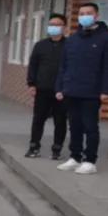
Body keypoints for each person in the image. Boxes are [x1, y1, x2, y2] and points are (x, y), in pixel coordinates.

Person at [56, 3, 108, 175]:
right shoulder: (73, 39)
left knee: (90, 126)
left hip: (92, 91)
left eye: (89, 13)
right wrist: (60, 87)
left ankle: (90, 160)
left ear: (96, 16)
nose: (84, 16)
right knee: (74, 125)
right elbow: (63, 66)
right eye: (81, 13)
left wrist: (107, 90)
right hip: (72, 89)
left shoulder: (106, 38)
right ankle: (75, 156)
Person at [26, 14, 68, 159]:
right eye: (51, 24)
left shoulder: (69, 45)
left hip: (61, 91)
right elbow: (33, 66)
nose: (54, 27)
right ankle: (34, 147)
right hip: (42, 89)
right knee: (38, 119)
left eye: (57, 24)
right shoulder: (40, 45)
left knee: (60, 120)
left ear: (64, 27)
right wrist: (31, 84)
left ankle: (57, 149)